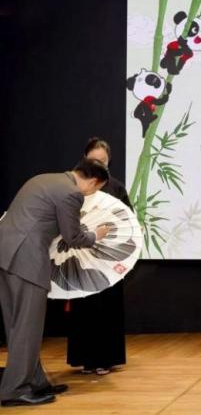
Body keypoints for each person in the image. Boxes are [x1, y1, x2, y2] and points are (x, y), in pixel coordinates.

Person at [0, 158, 110, 407]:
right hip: (25, 261)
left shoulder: (43, 178)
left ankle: (35, 382)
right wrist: (96, 235)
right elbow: (73, 237)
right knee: (27, 327)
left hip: (5, 254)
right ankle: (14, 390)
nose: (92, 194)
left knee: (17, 326)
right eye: (97, 189)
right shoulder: (72, 193)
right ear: (93, 182)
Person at [66, 138, 130, 376]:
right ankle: (85, 359)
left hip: (107, 258)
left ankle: (106, 359)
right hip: (82, 255)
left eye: (102, 161)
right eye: (94, 160)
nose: (98, 165)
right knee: (84, 307)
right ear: (85, 159)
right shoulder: (73, 187)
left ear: (109, 161)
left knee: (107, 308)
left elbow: (128, 220)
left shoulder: (116, 188)